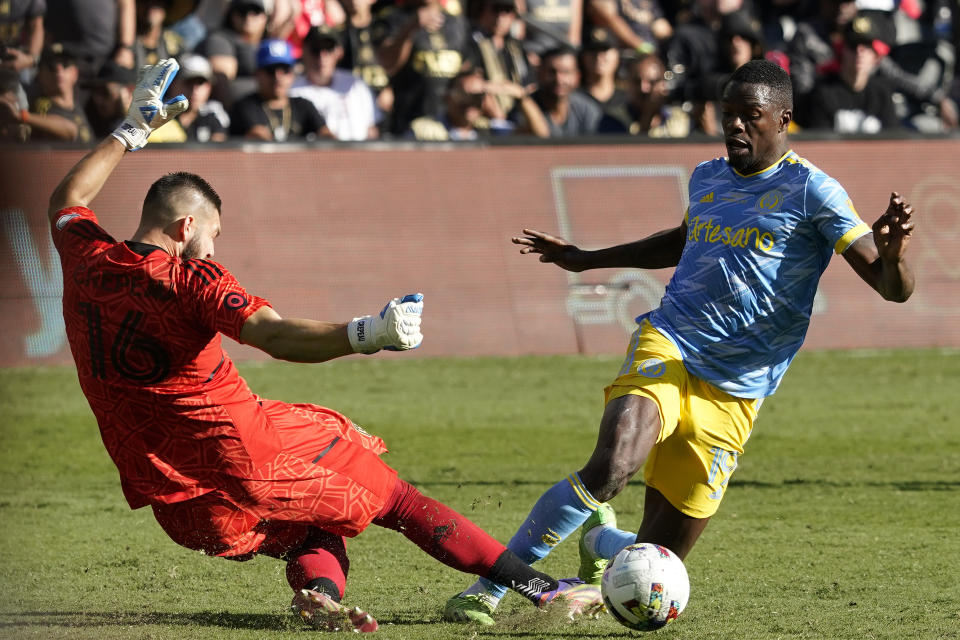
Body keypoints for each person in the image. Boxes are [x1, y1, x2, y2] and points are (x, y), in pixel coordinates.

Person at [49, 58, 604, 632]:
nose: (213, 251)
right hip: (250, 453)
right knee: (397, 501)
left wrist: (129, 131)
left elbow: (66, 197)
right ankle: (546, 591)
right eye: (213, 235)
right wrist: (369, 333)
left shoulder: (86, 258)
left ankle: (319, 596)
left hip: (176, 493)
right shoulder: (193, 282)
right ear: (187, 226)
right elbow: (279, 336)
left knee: (319, 528)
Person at [444, 59, 915, 626]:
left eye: (751, 116)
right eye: (728, 115)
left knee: (655, 563)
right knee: (612, 465)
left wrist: (892, 258)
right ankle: (491, 588)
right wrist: (587, 259)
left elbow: (893, 291)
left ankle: (599, 547)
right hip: (670, 344)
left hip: (737, 392)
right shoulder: (708, 176)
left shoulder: (814, 191)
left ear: (784, 119)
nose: (736, 127)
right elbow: (684, 241)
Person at [798, 11, 901, 133]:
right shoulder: (823, 92)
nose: (859, 53)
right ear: (841, 51)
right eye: (853, 46)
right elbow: (820, 143)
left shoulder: (882, 93)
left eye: (867, 47)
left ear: (876, 56)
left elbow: (893, 141)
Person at [291, 25, 379, 140]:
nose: (322, 57)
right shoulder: (293, 91)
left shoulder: (355, 84)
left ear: (339, 52)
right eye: (315, 50)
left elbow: (372, 129)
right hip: (316, 155)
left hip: (360, 153)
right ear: (304, 51)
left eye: (328, 49)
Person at [229, 38, 329, 140]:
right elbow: (257, 136)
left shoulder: (303, 105)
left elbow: (327, 135)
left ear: (292, 74)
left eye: (285, 70)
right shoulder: (245, 107)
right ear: (257, 74)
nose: (278, 77)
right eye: (270, 70)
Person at [512, 45, 602, 137]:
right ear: (539, 73)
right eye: (552, 72)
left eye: (566, 72)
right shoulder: (524, 109)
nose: (559, 79)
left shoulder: (587, 109)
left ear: (577, 76)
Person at [598, 53, 690, 137]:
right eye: (637, 82)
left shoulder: (679, 119)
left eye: (652, 82)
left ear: (663, 83)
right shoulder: (614, 119)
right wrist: (648, 114)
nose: (643, 88)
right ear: (628, 83)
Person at [26, 43, 94, 143]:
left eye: (65, 64)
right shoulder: (41, 106)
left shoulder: (83, 103)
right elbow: (70, 131)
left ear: (75, 73)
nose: (58, 69)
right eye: (51, 66)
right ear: (40, 75)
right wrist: (23, 116)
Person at [169, 52, 231, 141]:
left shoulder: (214, 114)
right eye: (189, 83)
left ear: (209, 87)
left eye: (200, 83)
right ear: (173, 85)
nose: (194, 90)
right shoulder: (158, 114)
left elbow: (217, 149)